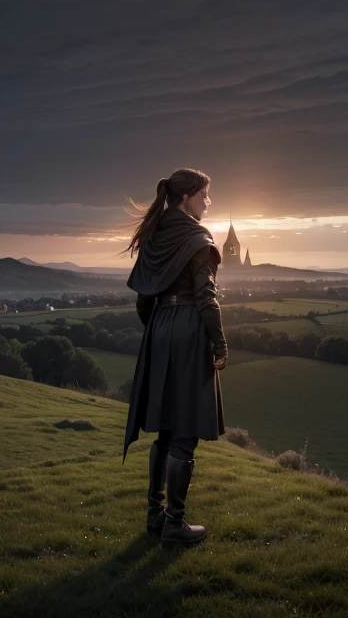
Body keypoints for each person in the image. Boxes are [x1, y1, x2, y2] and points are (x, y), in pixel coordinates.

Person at [121, 168, 227, 549]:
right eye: (204, 195)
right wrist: (219, 344)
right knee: (183, 429)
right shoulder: (197, 237)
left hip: (160, 327)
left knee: (165, 425)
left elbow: (143, 298)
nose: (208, 202)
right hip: (188, 330)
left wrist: (158, 332)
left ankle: (155, 515)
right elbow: (206, 297)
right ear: (187, 198)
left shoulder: (155, 235)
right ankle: (174, 525)